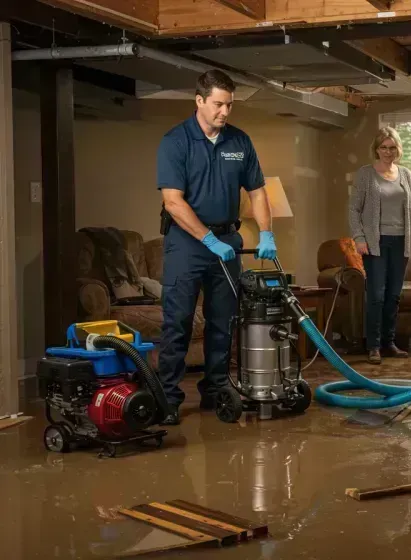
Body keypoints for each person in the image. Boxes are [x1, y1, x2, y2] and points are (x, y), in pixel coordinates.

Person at [156, 69, 277, 425]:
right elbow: (173, 202)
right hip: (186, 243)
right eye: (218, 104)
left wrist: (266, 234)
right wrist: (206, 239)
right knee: (177, 321)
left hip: (227, 240)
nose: (225, 112)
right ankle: (169, 398)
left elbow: (257, 192)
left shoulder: (239, 142)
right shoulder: (175, 141)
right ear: (200, 101)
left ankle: (216, 391)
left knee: (223, 321)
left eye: (229, 105)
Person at [348, 126, 411, 365]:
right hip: (375, 243)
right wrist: (359, 238)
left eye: (392, 147)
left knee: (393, 295)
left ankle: (389, 342)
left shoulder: (405, 174)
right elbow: (354, 209)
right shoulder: (366, 174)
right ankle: (373, 346)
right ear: (376, 149)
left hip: (401, 241)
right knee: (377, 295)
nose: (388, 152)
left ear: (397, 149)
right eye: (383, 147)